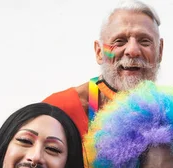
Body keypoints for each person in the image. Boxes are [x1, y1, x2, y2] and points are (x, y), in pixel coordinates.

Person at [44, 0, 163, 136]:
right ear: (99, 52)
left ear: (160, 51)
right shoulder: (60, 109)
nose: (132, 50)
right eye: (119, 41)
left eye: (144, 41)